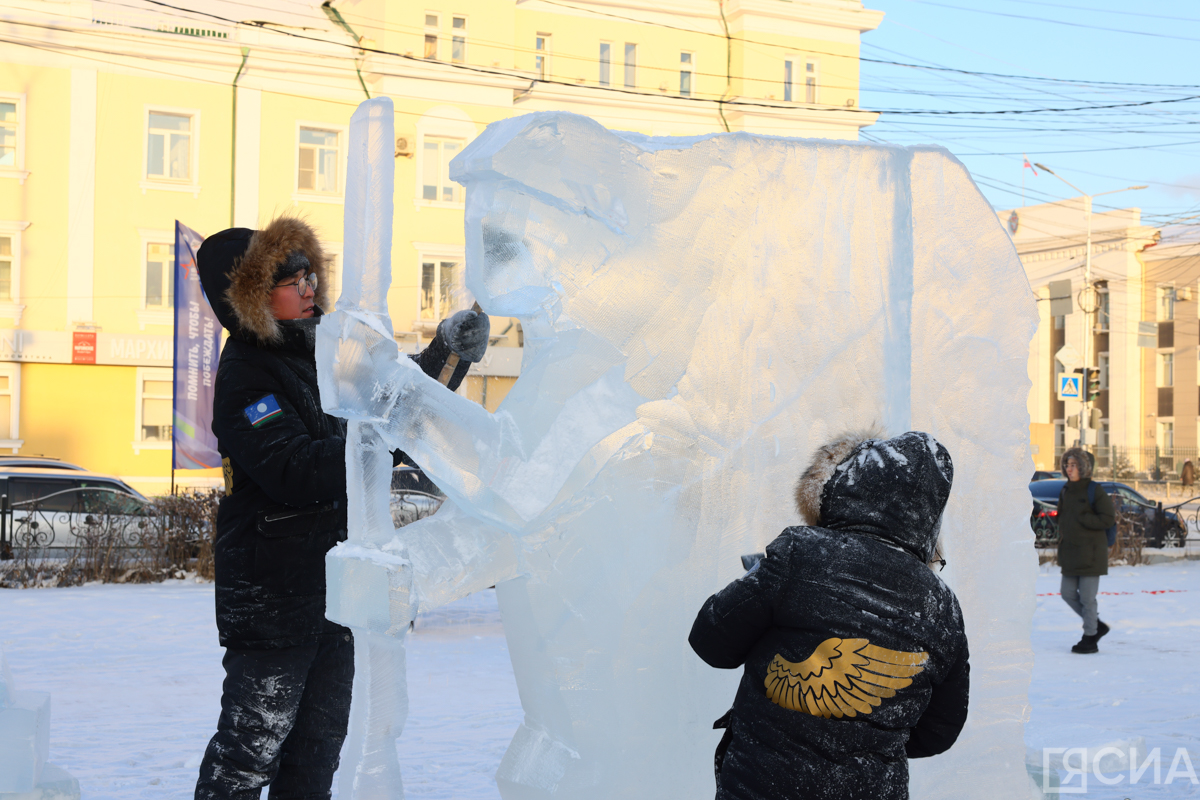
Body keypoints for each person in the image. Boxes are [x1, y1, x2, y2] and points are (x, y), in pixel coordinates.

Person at [193, 216, 489, 799]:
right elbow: (294, 469)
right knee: (248, 757)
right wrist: (375, 440)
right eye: (289, 278)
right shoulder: (247, 375)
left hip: (335, 593)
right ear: (249, 295)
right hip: (274, 598)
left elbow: (390, 404)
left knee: (314, 758)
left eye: (308, 273)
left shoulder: (322, 355)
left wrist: (448, 355)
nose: (308, 287)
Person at [689, 430, 970, 800]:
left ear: (846, 488)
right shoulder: (942, 607)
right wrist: (867, 739)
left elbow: (711, 641)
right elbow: (939, 730)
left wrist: (761, 580)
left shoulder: (800, 554)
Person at [1056, 446, 1116, 655]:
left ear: (1083, 467)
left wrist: (1084, 519)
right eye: (1067, 464)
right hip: (1071, 553)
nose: (1069, 468)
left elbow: (1108, 518)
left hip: (1092, 554)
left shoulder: (1094, 490)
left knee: (1087, 599)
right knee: (1067, 593)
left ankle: (1090, 637)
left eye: (1073, 465)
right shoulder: (1065, 490)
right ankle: (1096, 625)